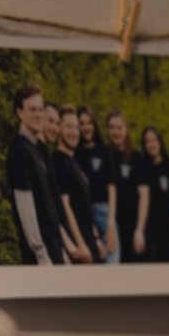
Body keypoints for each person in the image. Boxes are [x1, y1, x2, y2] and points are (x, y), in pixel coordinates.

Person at [4, 83, 64, 265]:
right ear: (19, 112)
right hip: (41, 258)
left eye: (40, 109)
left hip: (53, 249)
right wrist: (40, 253)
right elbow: (25, 205)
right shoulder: (19, 150)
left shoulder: (35, 148)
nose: (38, 114)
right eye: (32, 109)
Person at [48, 103, 99, 263]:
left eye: (76, 127)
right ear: (59, 129)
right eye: (69, 127)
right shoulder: (58, 162)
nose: (74, 132)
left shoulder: (73, 160)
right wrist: (81, 245)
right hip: (80, 246)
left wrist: (95, 238)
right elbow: (65, 206)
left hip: (89, 238)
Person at [129, 126, 169, 264]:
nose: (151, 144)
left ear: (160, 142)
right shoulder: (142, 167)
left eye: (154, 140)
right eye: (147, 141)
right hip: (150, 231)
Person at [72, 105, 116, 262]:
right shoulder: (75, 154)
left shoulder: (104, 151)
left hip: (104, 213)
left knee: (112, 263)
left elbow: (112, 188)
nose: (86, 127)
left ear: (94, 125)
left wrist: (111, 225)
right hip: (83, 216)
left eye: (89, 123)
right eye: (81, 124)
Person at [101, 109, 140, 264]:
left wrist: (140, 229)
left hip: (133, 224)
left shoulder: (136, 157)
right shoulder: (103, 154)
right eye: (112, 127)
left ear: (126, 129)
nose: (115, 132)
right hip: (111, 223)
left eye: (119, 127)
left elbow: (144, 195)